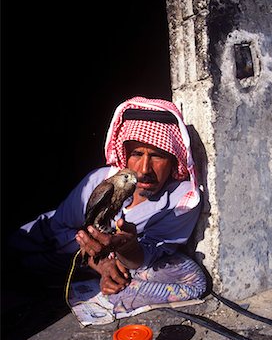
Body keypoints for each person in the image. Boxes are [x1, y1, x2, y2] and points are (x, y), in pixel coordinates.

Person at [10, 96, 207, 315]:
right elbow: (59, 230)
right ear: (124, 154)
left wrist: (127, 248)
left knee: (190, 278)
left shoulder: (184, 200)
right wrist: (99, 263)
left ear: (173, 159)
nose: (144, 169)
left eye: (157, 156)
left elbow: (150, 255)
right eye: (136, 154)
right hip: (45, 244)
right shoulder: (100, 181)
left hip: (109, 266)